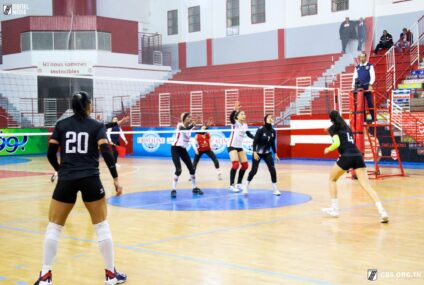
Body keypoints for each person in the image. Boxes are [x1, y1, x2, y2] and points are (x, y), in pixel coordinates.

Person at [34, 91, 127, 284]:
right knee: (101, 226)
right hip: (90, 179)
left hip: (66, 179)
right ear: (88, 106)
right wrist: (116, 179)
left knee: (54, 227)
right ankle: (110, 274)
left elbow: (50, 154)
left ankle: (45, 276)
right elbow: (107, 152)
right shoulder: (96, 126)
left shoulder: (61, 125)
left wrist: (61, 171)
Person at [322, 110, 389, 223]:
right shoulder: (347, 127)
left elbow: (337, 143)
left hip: (347, 156)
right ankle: (382, 212)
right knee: (366, 185)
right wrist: (329, 131)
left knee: (332, 179)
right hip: (357, 155)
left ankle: (335, 209)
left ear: (331, 119)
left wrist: (328, 149)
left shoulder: (333, 128)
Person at [50, 115, 129, 183]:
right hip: (83, 159)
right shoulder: (94, 127)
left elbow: (109, 125)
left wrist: (121, 121)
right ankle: (57, 173)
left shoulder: (67, 126)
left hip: (72, 160)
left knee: (67, 168)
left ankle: (57, 172)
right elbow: (106, 126)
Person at [244, 114, 281, 196]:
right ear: (265, 120)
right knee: (254, 171)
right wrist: (254, 152)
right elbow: (255, 142)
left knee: (272, 170)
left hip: (267, 154)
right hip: (258, 153)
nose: (270, 118)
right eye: (268, 117)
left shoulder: (273, 131)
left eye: (271, 117)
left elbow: (272, 144)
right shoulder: (260, 129)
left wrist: (275, 153)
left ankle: (275, 189)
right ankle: (246, 186)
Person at [171, 112, 203, 198]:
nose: (190, 119)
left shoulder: (190, 128)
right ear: (184, 119)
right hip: (175, 149)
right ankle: (173, 189)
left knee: (192, 169)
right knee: (178, 170)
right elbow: (185, 130)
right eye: (188, 117)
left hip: (183, 150)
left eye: (191, 117)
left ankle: (194, 187)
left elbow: (196, 131)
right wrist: (192, 126)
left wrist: (201, 126)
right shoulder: (179, 125)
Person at [228, 102, 254, 193]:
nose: (244, 115)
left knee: (245, 165)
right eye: (241, 114)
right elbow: (231, 118)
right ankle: (231, 185)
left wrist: (256, 138)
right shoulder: (236, 123)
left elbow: (248, 134)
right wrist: (234, 110)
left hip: (239, 147)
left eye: (244, 114)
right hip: (232, 146)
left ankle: (239, 184)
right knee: (235, 165)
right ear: (238, 116)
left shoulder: (245, 125)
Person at [352, 52, 376, 122]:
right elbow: (354, 77)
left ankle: (374, 119)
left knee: (370, 103)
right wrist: (353, 86)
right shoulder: (357, 67)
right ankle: (364, 119)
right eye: (360, 57)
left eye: (363, 57)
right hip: (360, 88)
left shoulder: (370, 66)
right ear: (359, 58)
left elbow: (373, 76)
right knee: (361, 104)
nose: (362, 58)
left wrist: (370, 84)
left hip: (367, 87)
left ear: (365, 57)